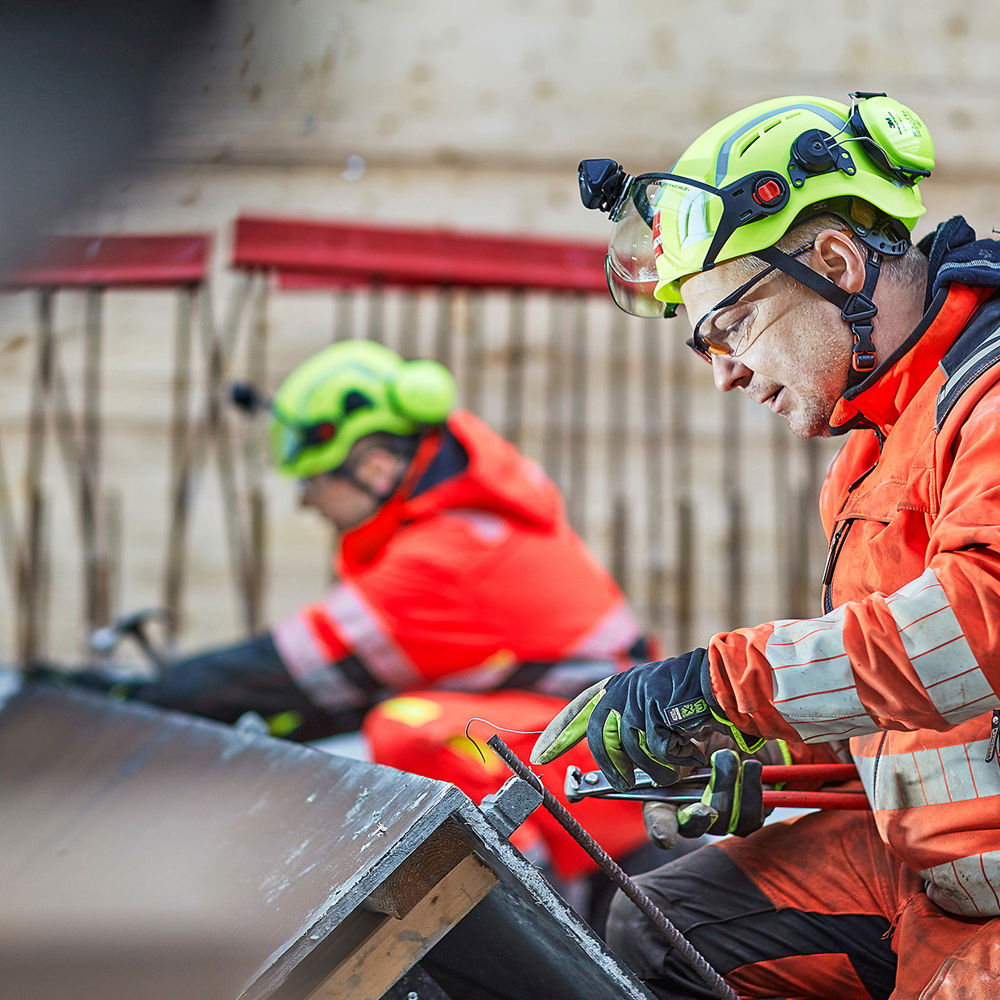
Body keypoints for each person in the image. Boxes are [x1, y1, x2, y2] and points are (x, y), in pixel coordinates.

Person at [532, 92, 1000, 998]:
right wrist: (771, 757)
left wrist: (722, 686)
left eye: (731, 328)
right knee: (665, 928)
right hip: (936, 867)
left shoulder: (989, 394)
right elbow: (906, 696)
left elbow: (975, 629)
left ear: (835, 262)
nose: (723, 375)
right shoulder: (873, 444)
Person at [47, 339, 655, 888]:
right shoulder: (460, 523)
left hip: (597, 768)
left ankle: (524, 907)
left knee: (403, 728)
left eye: (314, 480)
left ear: (372, 467)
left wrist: (131, 701)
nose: (305, 500)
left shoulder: (448, 555)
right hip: (586, 743)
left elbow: (284, 669)